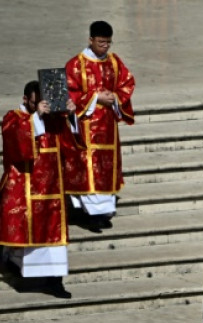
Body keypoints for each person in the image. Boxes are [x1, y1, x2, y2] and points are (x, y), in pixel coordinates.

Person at [0, 81, 76, 299]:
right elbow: (16, 144)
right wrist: (35, 118)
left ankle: (55, 282)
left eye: (43, 103)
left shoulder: (54, 119)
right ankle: (18, 268)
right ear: (26, 99)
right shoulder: (13, 117)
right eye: (36, 103)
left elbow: (71, 146)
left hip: (52, 189)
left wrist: (71, 116)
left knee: (55, 240)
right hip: (25, 186)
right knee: (23, 237)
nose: (41, 107)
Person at [64, 20, 135, 232]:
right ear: (91, 40)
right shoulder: (76, 64)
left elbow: (127, 83)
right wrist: (95, 98)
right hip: (86, 128)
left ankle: (103, 213)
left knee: (105, 169)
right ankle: (90, 214)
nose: (104, 47)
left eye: (108, 43)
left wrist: (114, 96)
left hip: (108, 128)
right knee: (89, 170)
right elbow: (70, 93)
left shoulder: (114, 61)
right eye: (101, 42)